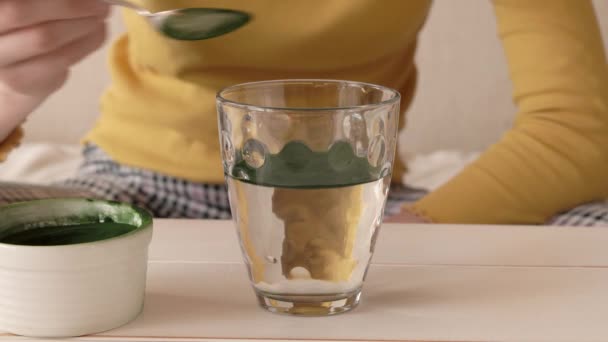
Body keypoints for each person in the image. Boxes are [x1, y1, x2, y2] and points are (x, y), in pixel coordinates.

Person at [0, 0, 607, 225]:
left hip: (358, 203)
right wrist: (10, 91)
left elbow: (578, 129)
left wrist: (410, 232)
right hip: (135, 186)